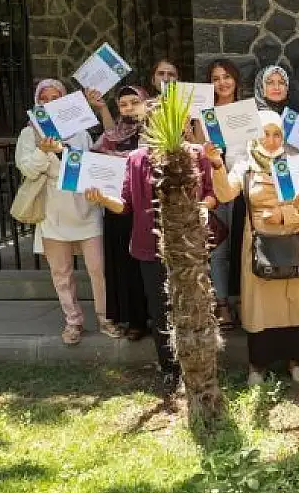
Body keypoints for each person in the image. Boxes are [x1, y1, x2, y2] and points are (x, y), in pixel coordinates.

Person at [85, 117, 217, 391]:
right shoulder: (136, 159)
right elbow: (125, 204)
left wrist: (201, 208)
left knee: (193, 306)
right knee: (160, 311)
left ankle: (198, 367)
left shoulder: (196, 154)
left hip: (189, 246)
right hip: (150, 248)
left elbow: (210, 194)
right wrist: (103, 199)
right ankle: (169, 368)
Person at [209, 110, 299, 386]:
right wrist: (216, 165)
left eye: (277, 134)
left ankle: (297, 361)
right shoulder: (244, 164)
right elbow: (225, 194)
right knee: (261, 310)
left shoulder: (297, 162)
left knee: (296, 307)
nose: (271, 140)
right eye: (265, 133)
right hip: (259, 247)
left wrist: (286, 215)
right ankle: (257, 366)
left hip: (295, 244)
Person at [16, 80, 117, 345]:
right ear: (39, 104)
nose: (51, 102)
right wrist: (43, 150)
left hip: (85, 207)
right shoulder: (29, 134)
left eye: (56, 97)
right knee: (61, 272)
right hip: (53, 211)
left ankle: (105, 317)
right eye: (45, 98)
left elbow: (95, 159)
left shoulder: (81, 131)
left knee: (97, 268)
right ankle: (73, 321)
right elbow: (27, 169)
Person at [92, 85, 150, 340]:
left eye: (133, 102)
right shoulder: (110, 136)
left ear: (145, 103)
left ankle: (157, 317)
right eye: (123, 104)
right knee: (126, 266)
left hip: (148, 209)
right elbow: (94, 162)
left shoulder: (155, 132)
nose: (128, 108)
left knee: (149, 266)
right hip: (118, 209)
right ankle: (135, 320)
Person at [203, 59, 245, 331]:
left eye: (227, 77)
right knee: (218, 247)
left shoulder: (247, 111)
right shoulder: (204, 114)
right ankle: (221, 304)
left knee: (242, 247)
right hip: (215, 189)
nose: (222, 83)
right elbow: (198, 149)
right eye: (216, 78)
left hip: (242, 189)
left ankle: (243, 302)